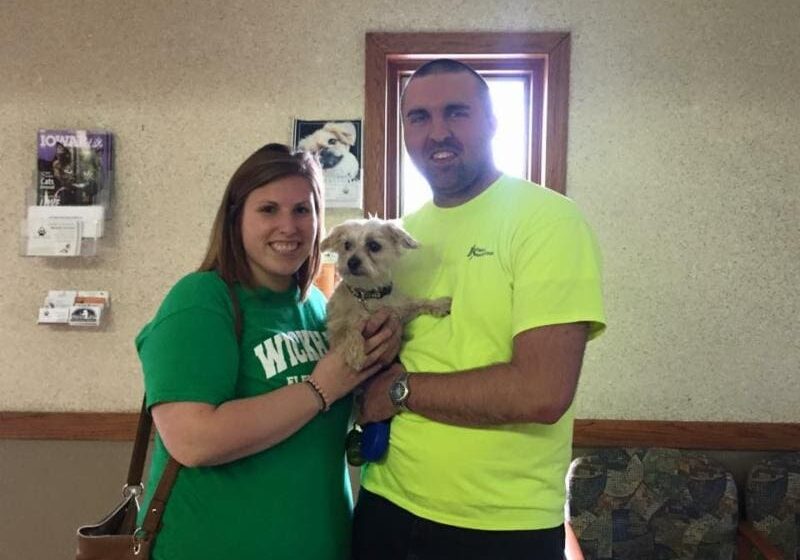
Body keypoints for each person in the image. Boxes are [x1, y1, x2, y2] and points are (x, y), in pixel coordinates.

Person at [352, 59, 606, 559]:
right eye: (419, 117)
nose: (437, 132)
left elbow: (542, 392)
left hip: (500, 525)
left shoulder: (548, 221)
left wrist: (399, 390)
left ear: (493, 122)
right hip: (385, 503)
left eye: (457, 113)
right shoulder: (402, 241)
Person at [135, 143, 401, 559]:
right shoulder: (201, 299)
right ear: (236, 216)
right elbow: (192, 440)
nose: (289, 226)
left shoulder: (316, 304)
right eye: (268, 210)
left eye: (302, 210)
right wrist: (321, 387)